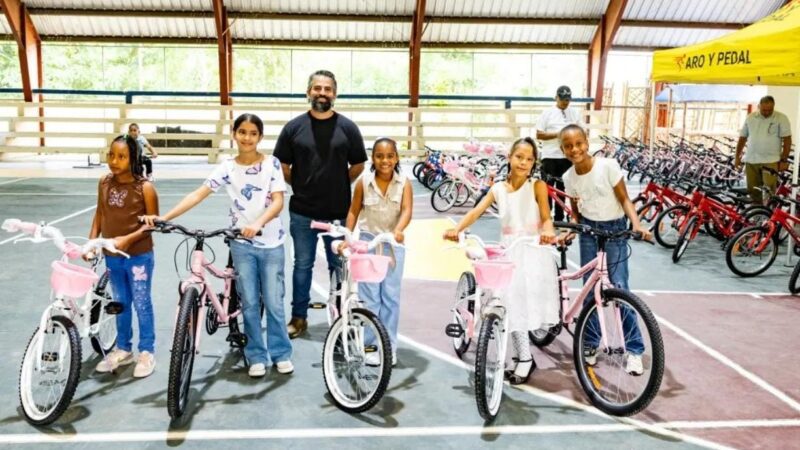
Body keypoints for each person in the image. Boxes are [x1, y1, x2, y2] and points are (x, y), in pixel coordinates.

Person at [142, 113, 293, 378]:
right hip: (241, 244)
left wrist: (258, 223)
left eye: (253, 133)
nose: (247, 138)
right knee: (248, 302)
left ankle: (280, 353)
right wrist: (165, 217)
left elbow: (278, 201)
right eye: (242, 132)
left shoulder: (272, 163)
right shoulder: (227, 167)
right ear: (234, 134)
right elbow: (199, 193)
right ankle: (255, 354)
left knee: (274, 302)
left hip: (271, 243)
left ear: (260, 137)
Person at [444, 137, 559, 385]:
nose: (524, 163)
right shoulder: (497, 188)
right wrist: (457, 229)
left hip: (532, 250)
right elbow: (476, 211)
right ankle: (523, 357)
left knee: (521, 305)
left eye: (530, 159)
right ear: (510, 157)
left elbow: (546, 216)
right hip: (509, 250)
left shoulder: (537, 185)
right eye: (519, 157)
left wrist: (548, 231)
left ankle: (524, 359)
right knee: (510, 303)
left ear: (534, 163)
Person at [273, 70, 368, 339]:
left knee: (338, 268)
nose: (322, 93)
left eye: (327, 89)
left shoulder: (348, 128)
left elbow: (359, 164)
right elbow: (282, 164)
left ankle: (341, 319)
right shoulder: (294, 127)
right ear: (308, 92)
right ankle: (299, 317)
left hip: (337, 215)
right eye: (317, 88)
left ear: (334, 94)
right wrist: (299, 185)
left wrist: (339, 182)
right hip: (302, 213)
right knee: (302, 266)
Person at [559, 124, 652, 376]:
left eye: (578, 143)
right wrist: (572, 230)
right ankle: (590, 343)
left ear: (587, 143)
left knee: (619, 287)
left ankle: (634, 350)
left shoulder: (607, 166)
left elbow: (624, 199)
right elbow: (576, 212)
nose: (574, 149)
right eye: (568, 146)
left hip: (615, 229)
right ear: (562, 150)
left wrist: (636, 224)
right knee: (591, 288)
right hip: (589, 231)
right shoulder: (569, 177)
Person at [89, 135, 159, 377]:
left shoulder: (145, 188)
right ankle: (123, 348)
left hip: (139, 257)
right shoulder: (104, 182)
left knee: (141, 302)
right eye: (111, 155)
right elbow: (100, 213)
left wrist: (127, 240)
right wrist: (92, 242)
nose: (114, 161)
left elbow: (152, 224)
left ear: (133, 159)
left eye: (121, 156)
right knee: (120, 302)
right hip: (112, 257)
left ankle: (147, 351)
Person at [340, 137, 413, 367]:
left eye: (390, 156)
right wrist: (347, 238)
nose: (385, 160)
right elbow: (353, 211)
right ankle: (371, 344)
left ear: (397, 158)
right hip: (369, 244)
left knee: (390, 297)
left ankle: (389, 346)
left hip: (392, 245)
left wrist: (399, 230)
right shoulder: (363, 181)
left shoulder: (404, 183)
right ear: (373, 158)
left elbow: (407, 209)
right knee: (370, 298)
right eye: (380, 156)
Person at [536, 85, 586, 221]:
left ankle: (560, 217)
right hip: (550, 156)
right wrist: (559, 134)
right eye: (562, 99)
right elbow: (539, 134)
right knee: (547, 188)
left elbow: (582, 132)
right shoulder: (547, 113)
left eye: (568, 100)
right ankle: (546, 216)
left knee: (564, 188)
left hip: (567, 157)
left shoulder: (575, 113)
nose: (565, 102)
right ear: (556, 98)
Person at [734, 95, 793, 205]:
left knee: (769, 192)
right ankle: (757, 215)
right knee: (753, 190)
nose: (766, 112)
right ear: (759, 106)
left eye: (769, 110)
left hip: (770, 161)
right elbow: (742, 138)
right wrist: (737, 157)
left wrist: (784, 160)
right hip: (751, 160)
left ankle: (769, 216)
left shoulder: (781, 118)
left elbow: (787, 139)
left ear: (773, 107)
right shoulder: (751, 117)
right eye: (764, 110)